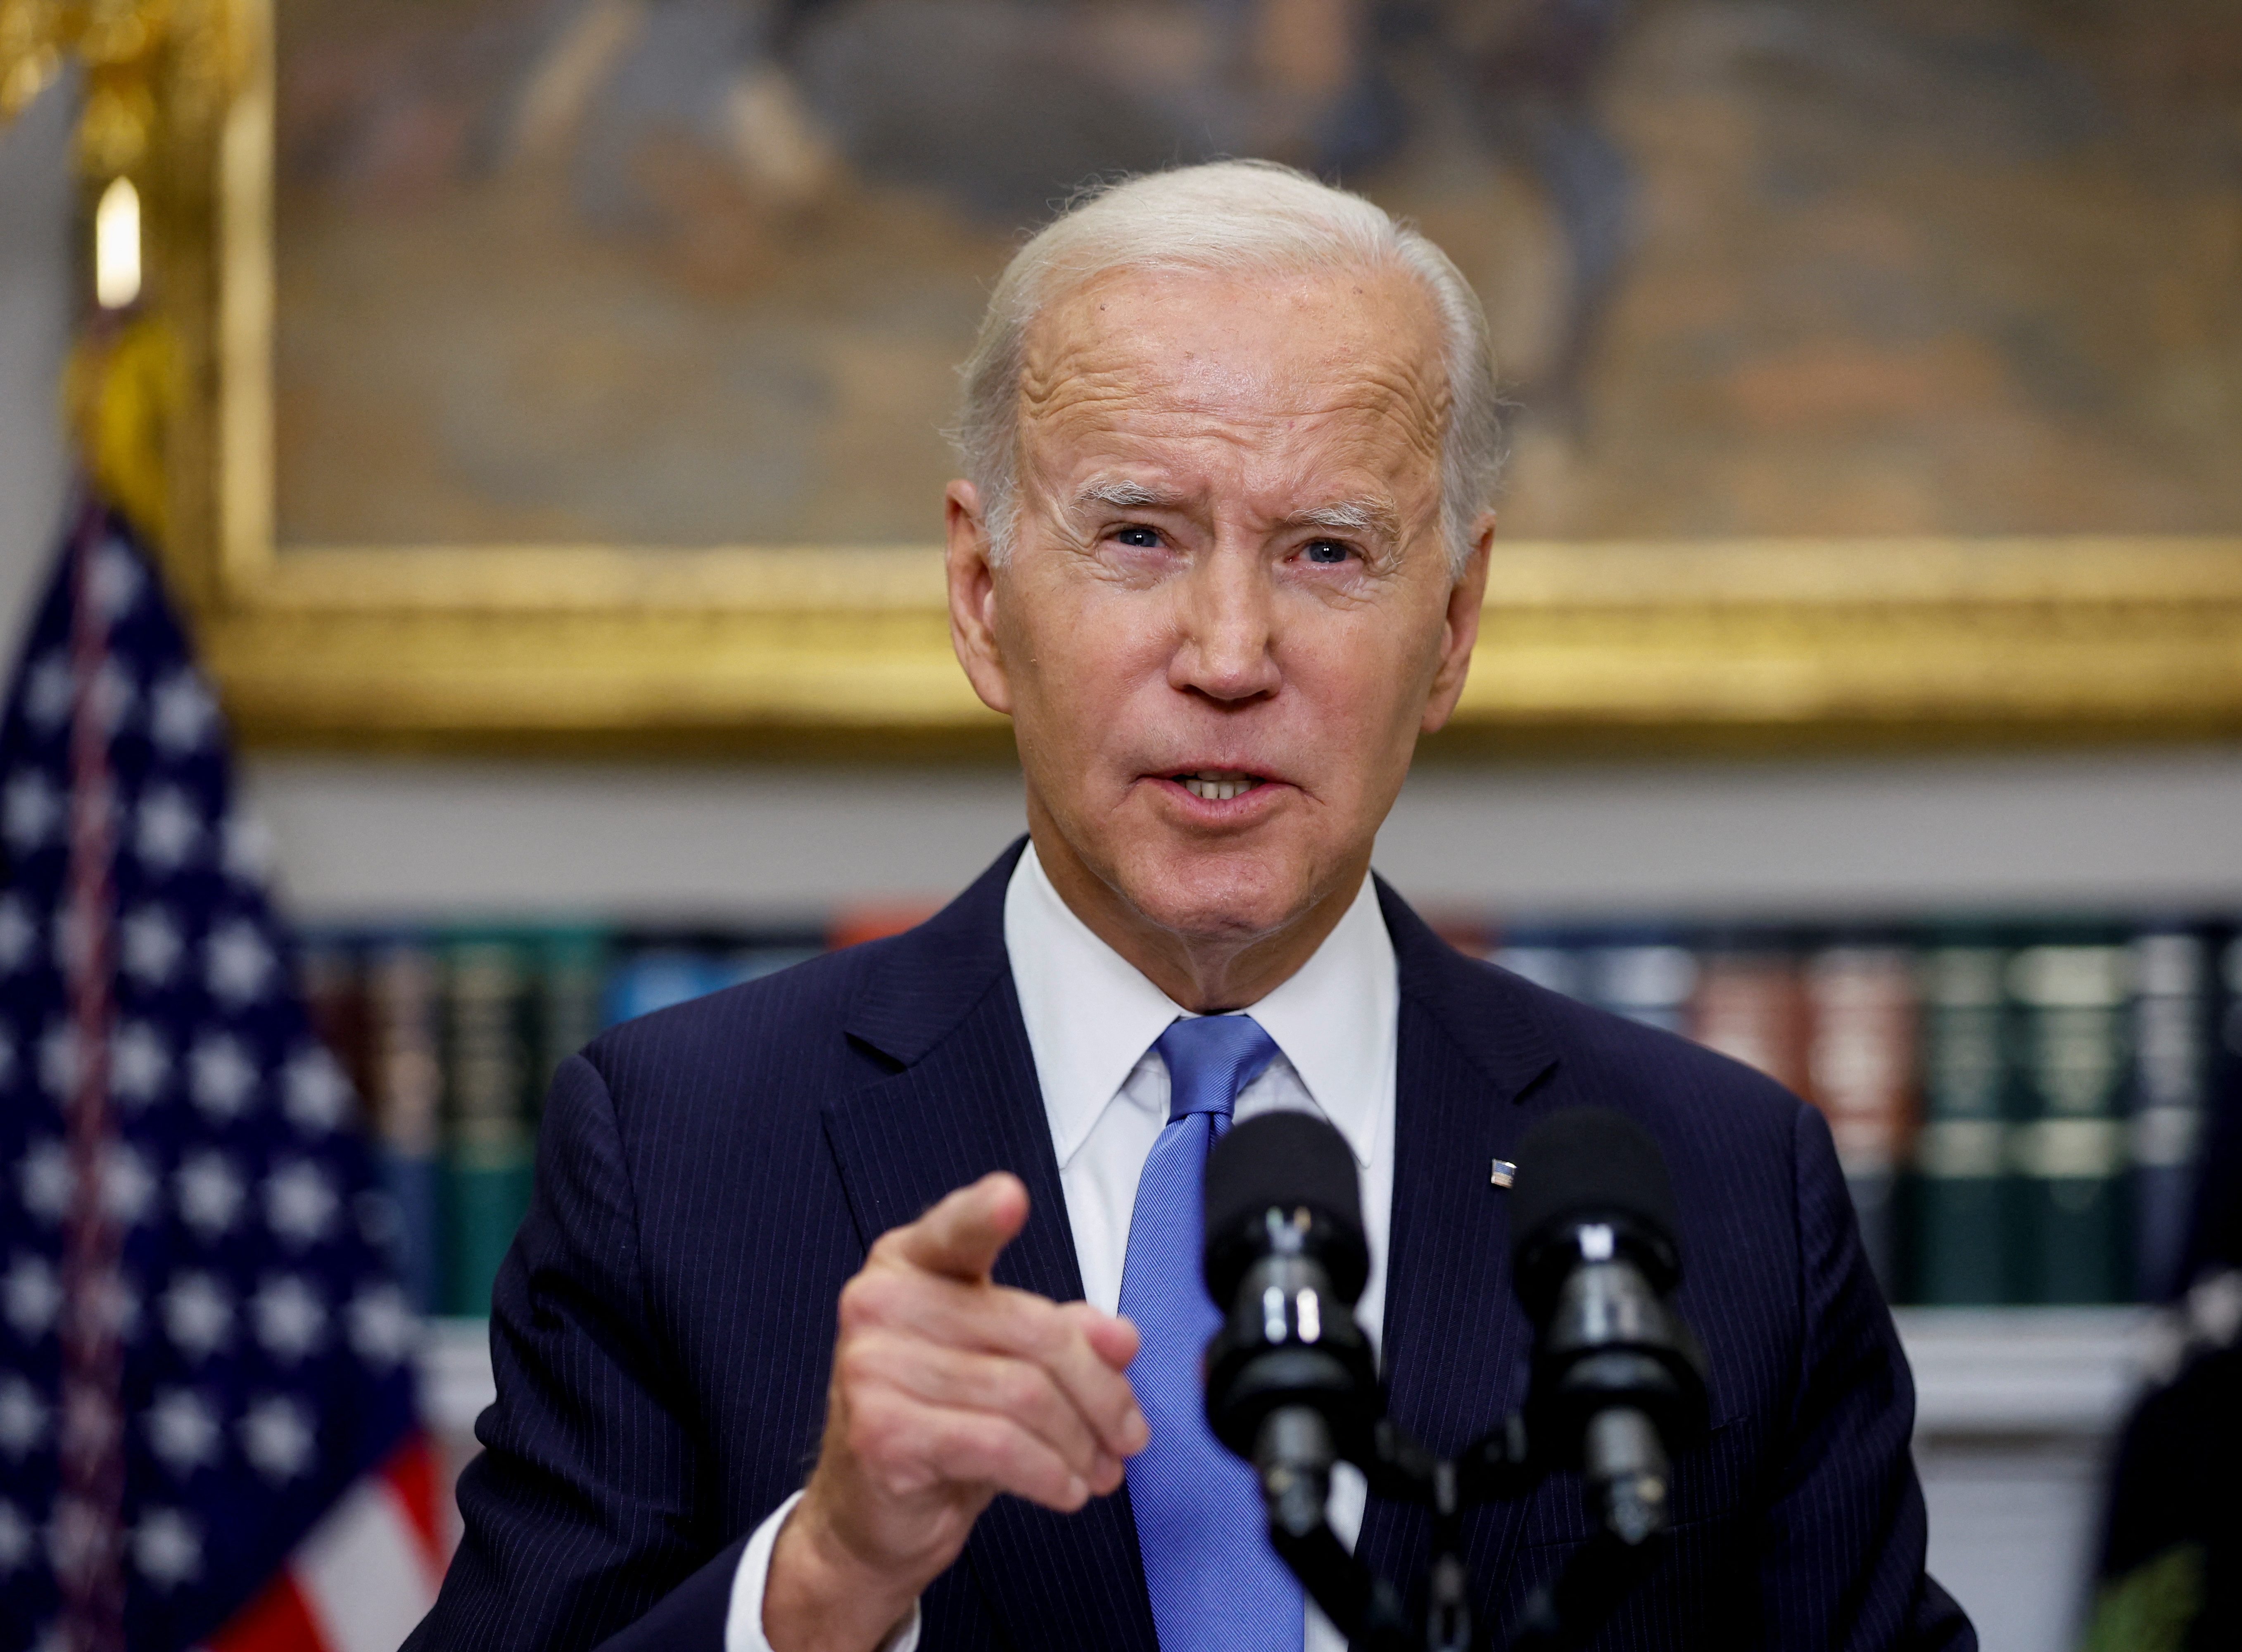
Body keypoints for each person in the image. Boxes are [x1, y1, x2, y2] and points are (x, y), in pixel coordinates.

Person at [406, 161, 1973, 1652]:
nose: (1230, 651)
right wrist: (825, 1581)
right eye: (1141, 536)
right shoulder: (682, 1154)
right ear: (981, 598)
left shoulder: (1722, 1186)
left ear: (1454, 625)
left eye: (1328, 550)